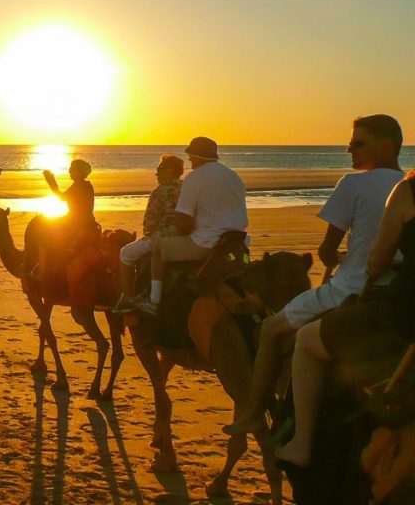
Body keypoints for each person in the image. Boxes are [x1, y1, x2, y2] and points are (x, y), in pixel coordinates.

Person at [224, 115, 405, 437]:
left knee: (270, 328)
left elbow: (326, 250)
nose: (350, 149)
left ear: (386, 145)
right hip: (399, 290)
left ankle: (253, 413)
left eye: (358, 143)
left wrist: (337, 259)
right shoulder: (408, 186)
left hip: (350, 287)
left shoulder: (353, 184)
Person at [275, 169, 415, 470]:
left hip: (405, 312)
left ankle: (301, 444)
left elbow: (377, 259)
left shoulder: (407, 191)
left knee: (308, 340)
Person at [137, 136, 247, 315]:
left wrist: (175, 232)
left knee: (158, 246)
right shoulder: (232, 176)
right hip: (237, 244)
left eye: (191, 158)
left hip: (205, 244)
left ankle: (154, 301)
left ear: (195, 157)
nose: (190, 161)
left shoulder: (195, 178)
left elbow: (184, 222)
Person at [112, 154, 185, 313]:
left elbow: (150, 222)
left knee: (125, 253)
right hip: (186, 236)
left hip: (163, 236)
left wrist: (148, 233)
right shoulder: (187, 187)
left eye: (160, 169)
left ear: (171, 170)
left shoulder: (160, 191)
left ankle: (127, 297)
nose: (156, 173)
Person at [44, 158, 96, 228]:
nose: (69, 171)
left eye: (72, 169)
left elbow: (62, 198)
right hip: (83, 220)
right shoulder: (82, 184)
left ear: (78, 171)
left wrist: (51, 181)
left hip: (78, 223)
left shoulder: (80, 185)